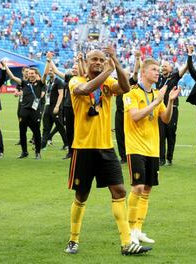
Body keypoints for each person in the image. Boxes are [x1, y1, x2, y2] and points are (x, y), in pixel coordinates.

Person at [65, 46, 151, 255]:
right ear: (86, 62)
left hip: (106, 148)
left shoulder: (108, 82)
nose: (98, 62)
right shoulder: (76, 80)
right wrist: (107, 70)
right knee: (82, 194)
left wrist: (115, 62)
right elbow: (84, 91)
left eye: (101, 60)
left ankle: (126, 243)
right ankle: (73, 240)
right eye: (94, 59)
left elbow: (125, 87)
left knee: (119, 191)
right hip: (83, 148)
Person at [124, 58, 181, 244]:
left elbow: (165, 118)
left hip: (152, 149)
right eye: (154, 69)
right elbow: (135, 117)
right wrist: (156, 102)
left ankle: (138, 229)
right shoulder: (131, 93)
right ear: (144, 73)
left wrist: (169, 101)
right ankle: (130, 230)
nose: (158, 72)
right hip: (135, 147)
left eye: (158, 69)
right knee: (138, 187)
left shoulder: (157, 93)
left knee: (147, 189)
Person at [2, 60, 45, 159]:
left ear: (36, 74)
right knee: (22, 132)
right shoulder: (24, 83)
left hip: (35, 111)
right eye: (29, 73)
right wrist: (5, 66)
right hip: (24, 111)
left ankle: (38, 153)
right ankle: (24, 152)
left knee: (36, 132)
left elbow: (45, 74)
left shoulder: (40, 83)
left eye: (32, 73)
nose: (31, 75)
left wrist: (48, 61)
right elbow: (12, 77)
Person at [49, 52, 83, 159]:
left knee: (79, 130)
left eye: (76, 68)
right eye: (73, 68)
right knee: (69, 130)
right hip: (68, 107)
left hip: (79, 107)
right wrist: (50, 60)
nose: (74, 69)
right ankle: (71, 152)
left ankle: (80, 151)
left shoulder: (84, 78)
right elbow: (56, 71)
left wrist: (80, 61)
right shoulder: (69, 77)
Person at [156, 59, 187, 166]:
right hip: (160, 109)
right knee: (160, 134)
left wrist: (189, 57)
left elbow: (184, 70)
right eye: (162, 66)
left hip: (172, 109)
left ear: (170, 68)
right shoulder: (158, 78)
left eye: (166, 66)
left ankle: (169, 158)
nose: (163, 68)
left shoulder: (174, 76)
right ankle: (161, 159)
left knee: (170, 134)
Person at [115, 50, 141, 164]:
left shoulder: (130, 82)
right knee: (119, 135)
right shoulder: (117, 84)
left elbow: (135, 73)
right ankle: (123, 157)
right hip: (118, 113)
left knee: (129, 135)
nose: (122, 76)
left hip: (129, 113)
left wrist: (137, 59)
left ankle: (131, 155)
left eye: (125, 75)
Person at [40, 66, 67, 149]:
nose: (50, 72)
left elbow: (61, 94)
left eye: (52, 70)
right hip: (48, 106)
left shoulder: (59, 81)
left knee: (60, 127)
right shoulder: (48, 82)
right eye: (49, 71)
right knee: (46, 127)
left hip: (56, 107)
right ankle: (43, 144)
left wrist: (57, 106)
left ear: (54, 72)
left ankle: (67, 144)